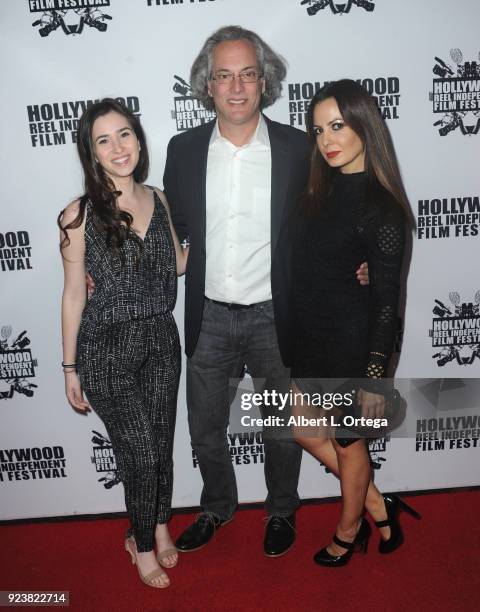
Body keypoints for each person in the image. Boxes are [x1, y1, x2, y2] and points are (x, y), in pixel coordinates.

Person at [163, 26, 368, 557]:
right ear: (207, 85)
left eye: (247, 74)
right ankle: (217, 507)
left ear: (264, 82)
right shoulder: (182, 151)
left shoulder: (299, 149)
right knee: (205, 426)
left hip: (277, 317)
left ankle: (281, 511)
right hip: (208, 316)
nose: (236, 87)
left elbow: (334, 216)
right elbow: (173, 229)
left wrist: (365, 258)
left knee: (282, 429)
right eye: (224, 75)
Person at [58, 98, 188, 588]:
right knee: (139, 452)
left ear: (139, 138)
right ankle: (140, 541)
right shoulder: (79, 215)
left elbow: (176, 263)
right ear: (91, 153)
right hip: (107, 348)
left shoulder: (160, 197)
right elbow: (73, 295)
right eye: (103, 140)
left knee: (160, 444)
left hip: (160, 338)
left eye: (125, 134)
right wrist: (69, 368)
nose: (118, 147)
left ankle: (158, 524)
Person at [291, 79, 420, 567]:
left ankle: (348, 533)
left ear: (365, 126)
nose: (327, 139)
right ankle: (378, 506)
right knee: (301, 427)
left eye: (338, 125)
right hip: (311, 338)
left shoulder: (381, 207)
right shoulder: (316, 191)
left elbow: (389, 302)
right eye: (319, 129)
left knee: (348, 444)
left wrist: (374, 377)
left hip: (351, 343)